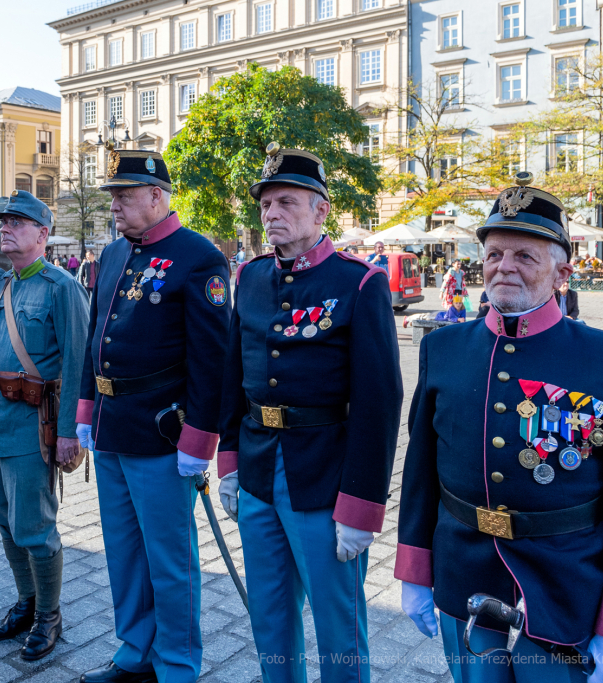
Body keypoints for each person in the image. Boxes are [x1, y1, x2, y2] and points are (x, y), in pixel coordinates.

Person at [396, 174, 603, 683]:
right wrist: (413, 567)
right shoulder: (443, 350)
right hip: (463, 565)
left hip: (564, 577)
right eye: (495, 253)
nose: (505, 267)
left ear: (561, 271)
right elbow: (420, 472)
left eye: (525, 256)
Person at [217, 144, 403, 683]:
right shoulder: (249, 277)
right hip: (256, 468)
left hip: (324, 475)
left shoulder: (358, 283)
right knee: (270, 618)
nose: (272, 213)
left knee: (337, 623)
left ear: (321, 210)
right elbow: (235, 376)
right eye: (266, 204)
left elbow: (379, 403)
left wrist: (363, 505)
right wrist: (228, 464)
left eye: (287, 202)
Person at [74, 150, 230, 683]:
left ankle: (179, 664)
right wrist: (85, 409)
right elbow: (94, 339)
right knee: (123, 551)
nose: (114, 204)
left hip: (163, 431)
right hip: (112, 425)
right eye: (113, 194)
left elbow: (213, 361)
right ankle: (135, 650)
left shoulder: (199, 257)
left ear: (158, 196)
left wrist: (200, 440)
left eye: (125, 194)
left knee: (170, 560)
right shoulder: (114, 255)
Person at [0, 190, 89, 660]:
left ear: (42, 234)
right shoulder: (4, 284)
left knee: (35, 527)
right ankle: (26, 602)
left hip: (34, 425)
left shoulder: (61, 287)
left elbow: (79, 364)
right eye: (4, 222)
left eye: (17, 222)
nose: (6, 229)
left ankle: (48, 617)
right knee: (5, 520)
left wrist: (68, 433)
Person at [403, 293, 467, 327]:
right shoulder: (451, 309)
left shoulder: (463, 309)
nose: (458, 305)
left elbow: (463, 318)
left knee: (424, 317)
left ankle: (412, 321)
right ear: (453, 303)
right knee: (424, 316)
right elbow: (450, 318)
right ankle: (408, 318)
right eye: (456, 303)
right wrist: (458, 319)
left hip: (442, 316)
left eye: (460, 303)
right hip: (438, 316)